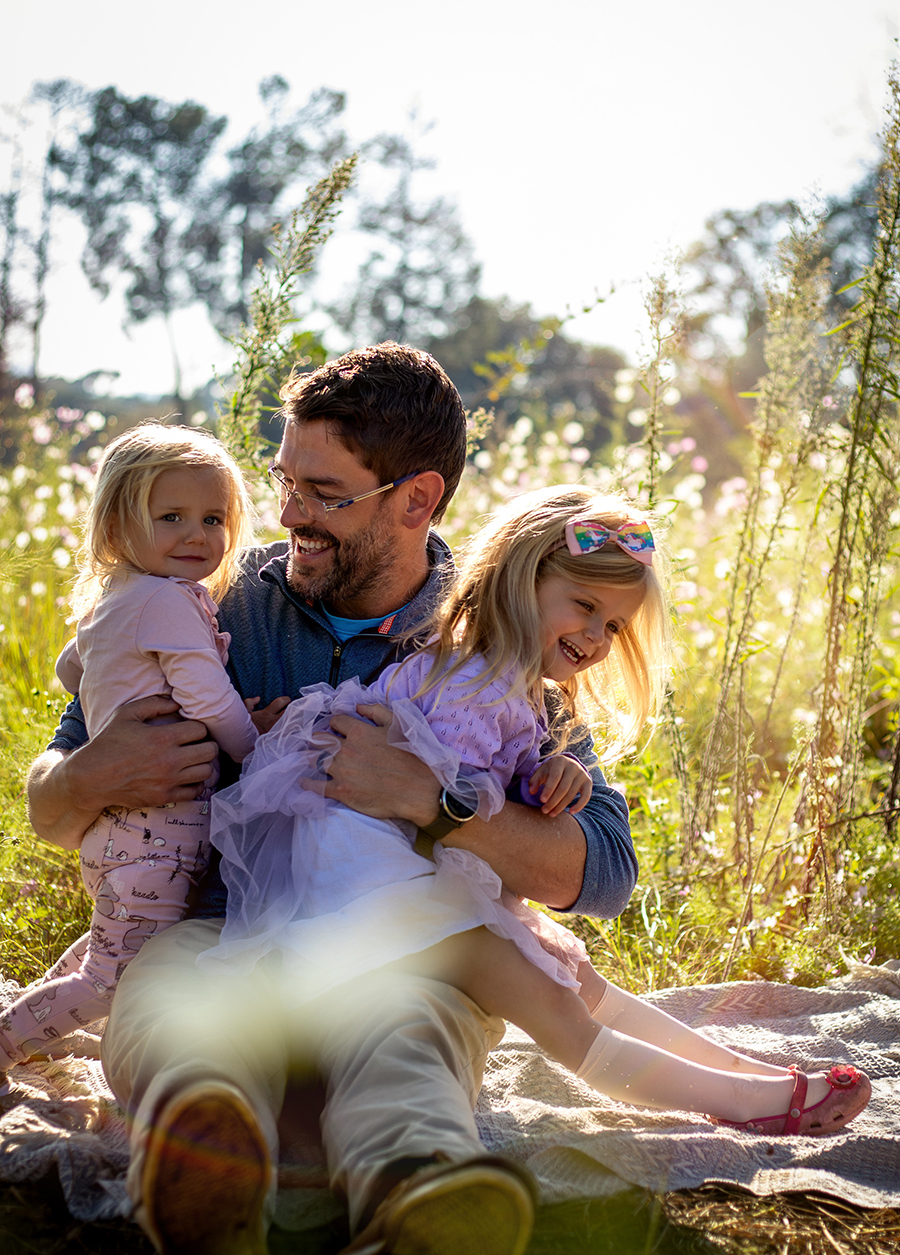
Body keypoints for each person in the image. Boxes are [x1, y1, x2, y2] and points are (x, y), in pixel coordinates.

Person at [24, 344, 639, 1255]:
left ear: (415, 498)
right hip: (223, 928)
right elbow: (48, 801)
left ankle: (422, 1203)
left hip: (408, 942)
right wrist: (95, 774)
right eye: (283, 480)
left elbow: (602, 871)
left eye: (321, 490)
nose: (284, 513)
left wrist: (437, 808)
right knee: (173, 1005)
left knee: (409, 1030)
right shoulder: (211, 594)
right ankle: (204, 1182)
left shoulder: (495, 635)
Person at [203, 485, 871, 1137]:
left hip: (396, 872)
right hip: (368, 885)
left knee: (572, 973)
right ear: (521, 580)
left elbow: (494, 800)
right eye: (583, 605)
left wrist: (556, 771)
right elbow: (447, 807)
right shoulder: (473, 682)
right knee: (553, 1000)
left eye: (612, 624)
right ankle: (748, 1100)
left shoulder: (513, 685)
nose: (597, 637)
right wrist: (517, 806)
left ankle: (754, 1075)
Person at [0, 425, 259, 1091]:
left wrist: (120, 687)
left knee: (110, 943)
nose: (197, 536)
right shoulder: (168, 602)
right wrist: (257, 753)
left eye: (212, 518)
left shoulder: (113, 599)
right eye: (170, 517)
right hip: (157, 827)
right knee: (116, 973)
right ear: (118, 523)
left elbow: (68, 669)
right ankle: (7, 1045)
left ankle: (32, 1023)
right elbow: (207, 698)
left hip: (117, 832)